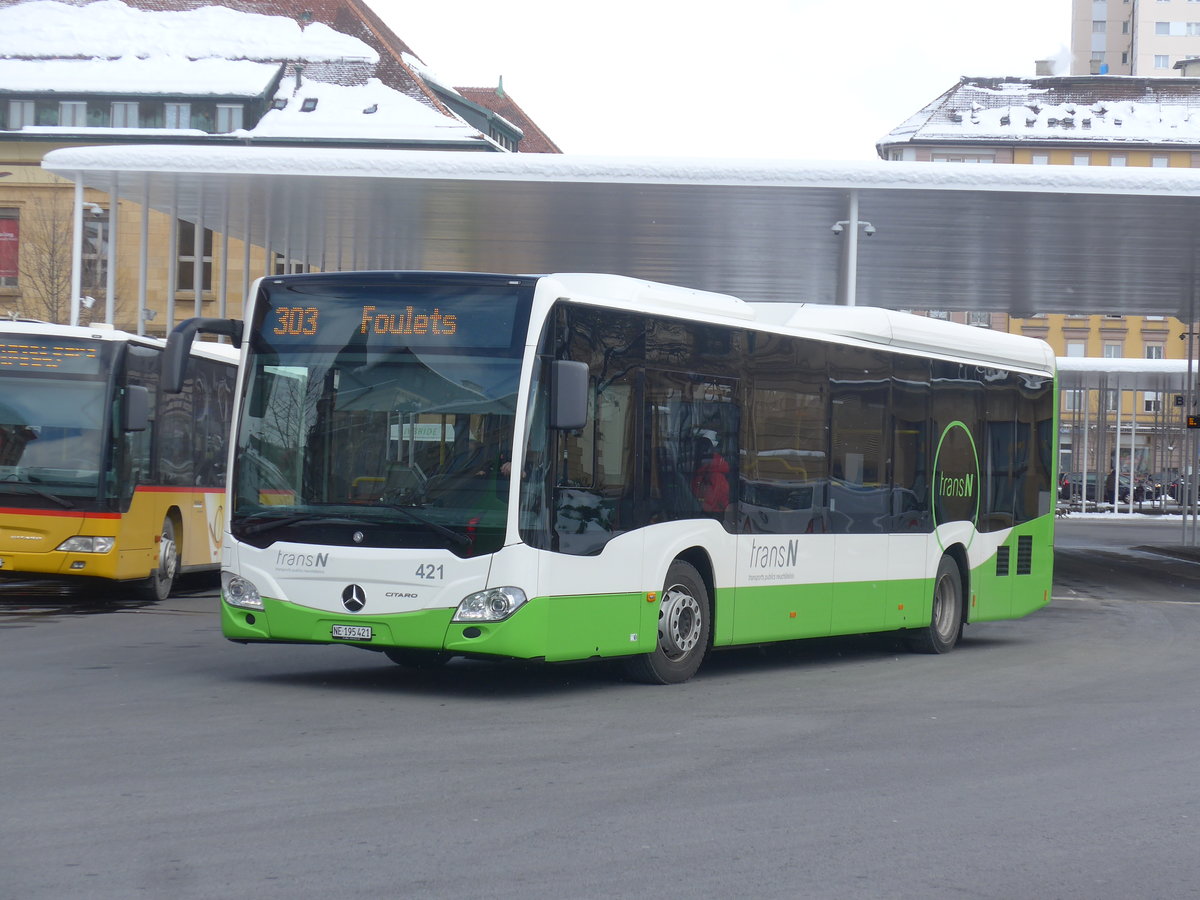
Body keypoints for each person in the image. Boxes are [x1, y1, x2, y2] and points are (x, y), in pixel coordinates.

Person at [690, 430, 730, 515]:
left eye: (702, 453)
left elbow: (708, 506)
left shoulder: (715, 476)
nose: (697, 456)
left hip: (712, 518)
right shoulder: (702, 473)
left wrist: (692, 503)